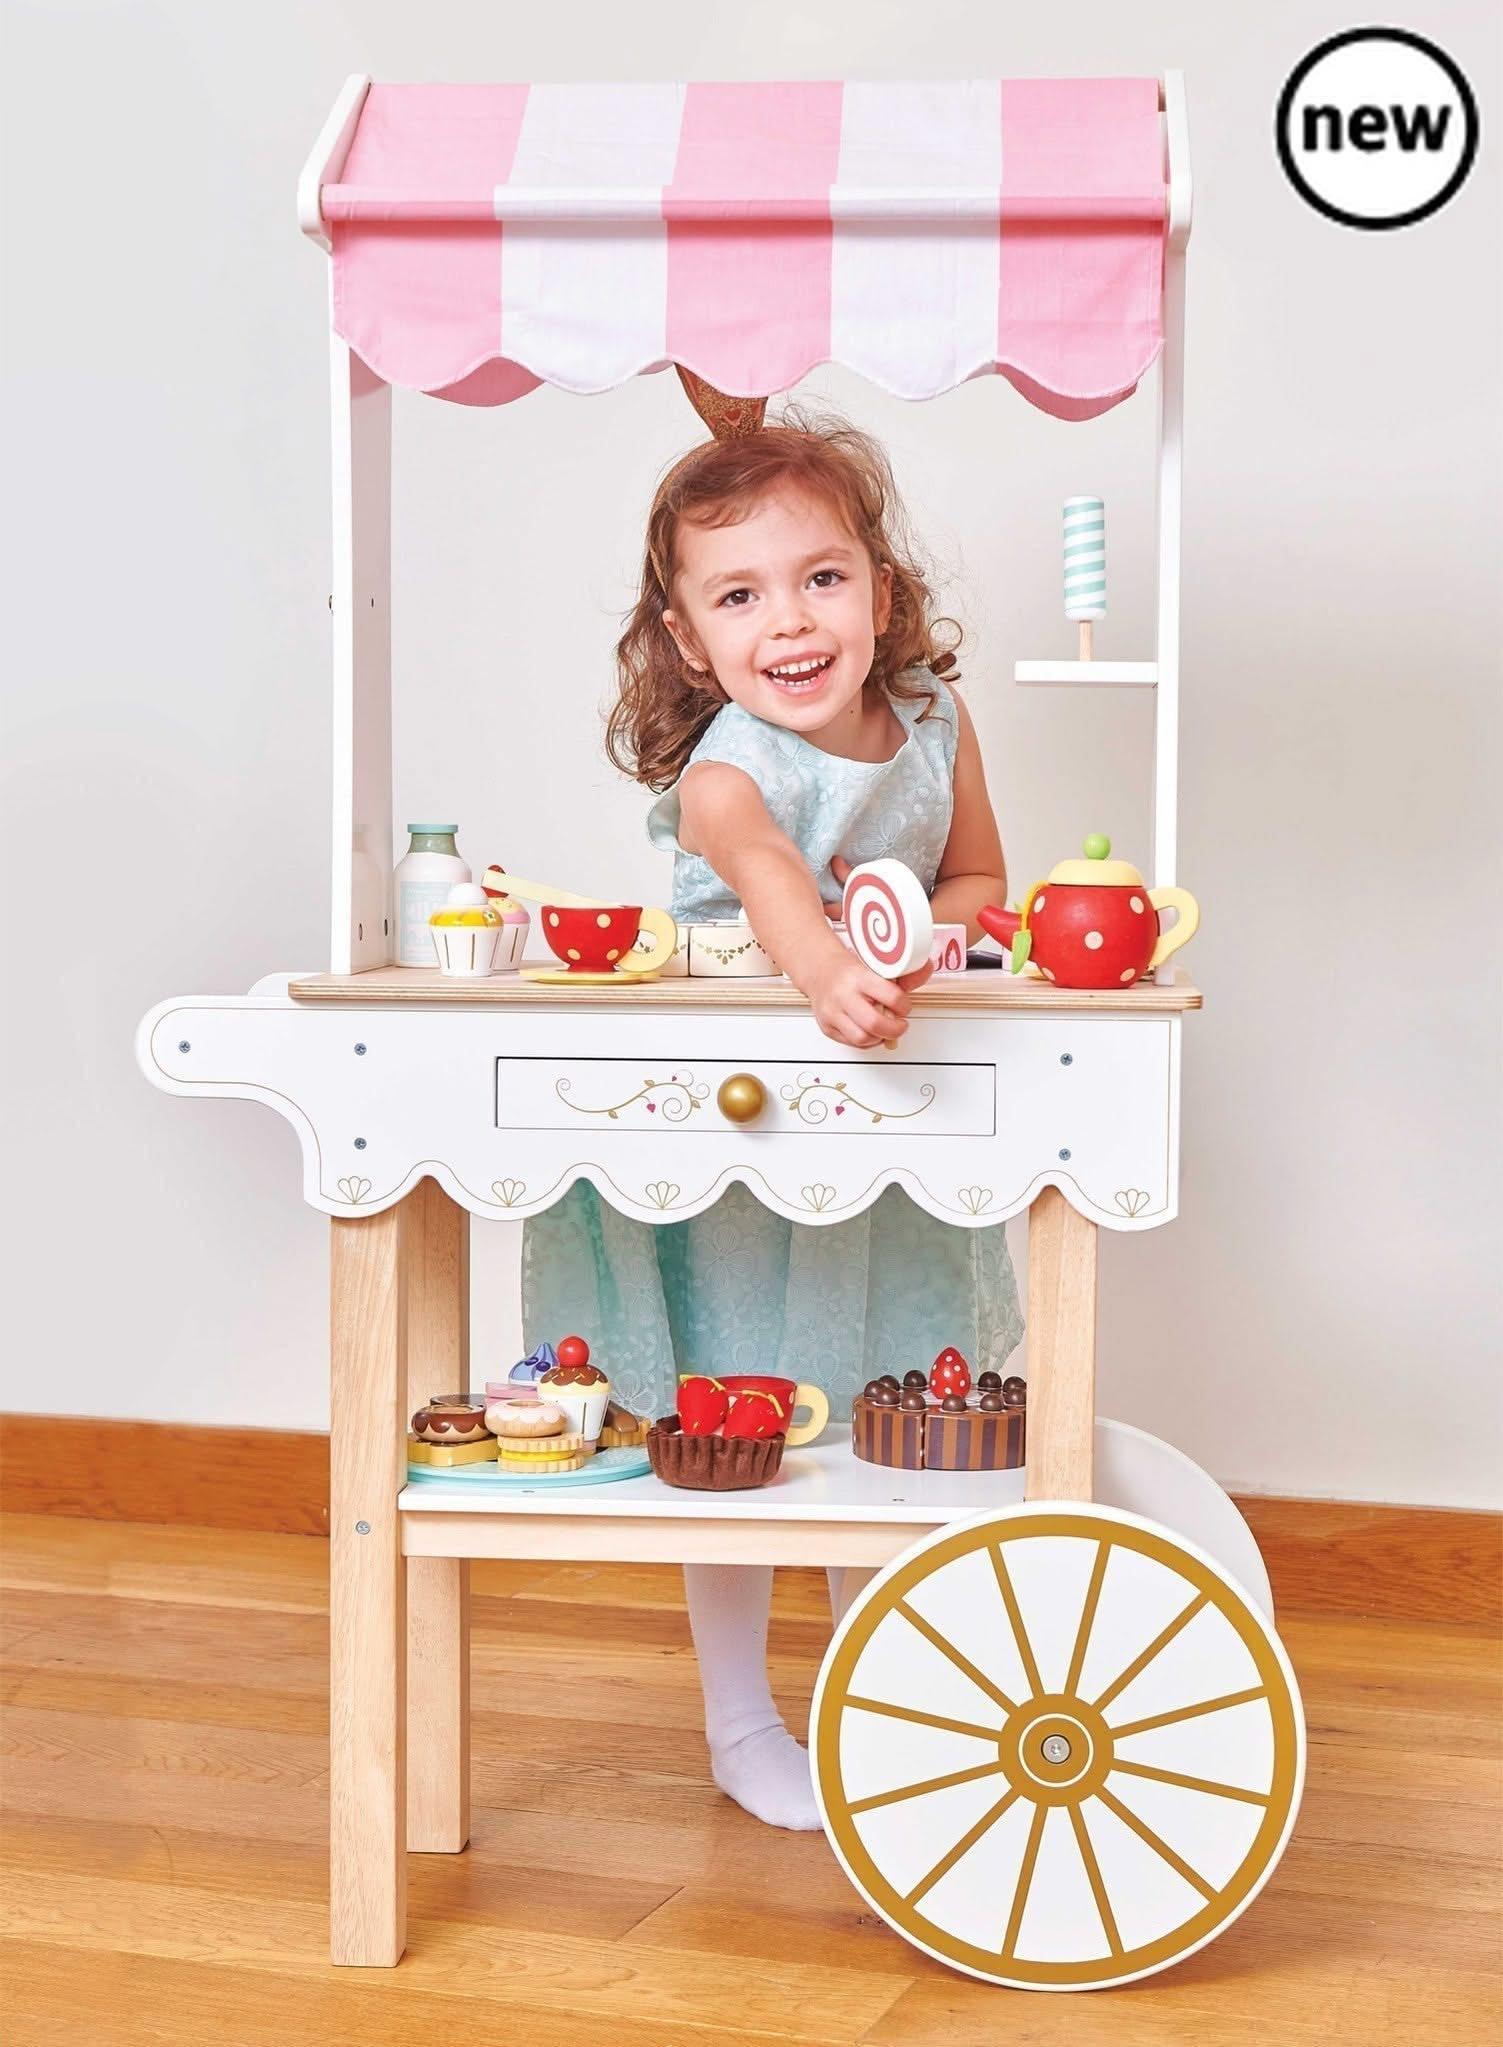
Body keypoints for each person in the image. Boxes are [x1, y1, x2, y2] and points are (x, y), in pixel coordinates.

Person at [522, 408, 1023, 1828]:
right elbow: (771, 888)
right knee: (743, 1428)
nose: (789, 621)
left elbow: (978, 874)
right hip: (742, 1141)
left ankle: (882, 1700)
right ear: (688, 641)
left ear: (878, 586)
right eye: (737, 595)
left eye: (820, 577)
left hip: (886, 1111)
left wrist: (926, 935)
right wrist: (827, 958)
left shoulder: (933, 719)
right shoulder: (726, 773)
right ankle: (741, 1715)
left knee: (878, 1417)